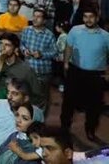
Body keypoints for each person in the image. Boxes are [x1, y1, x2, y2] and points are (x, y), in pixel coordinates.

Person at [60, 9, 109, 142]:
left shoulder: (106, 36)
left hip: (95, 75)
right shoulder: (75, 30)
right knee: (68, 102)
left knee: (94, 106)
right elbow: (68, 46)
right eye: (85, 17)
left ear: (97, 18)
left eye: (91, 17)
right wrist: (65, 63)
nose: (88, 20)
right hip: (75, 71)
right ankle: (64, 127)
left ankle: (90, 129)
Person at [0, 78, 44, 164]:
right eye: (8, 92)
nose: (9, 97)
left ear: (25, 98)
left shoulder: (35, 114)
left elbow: (40, 141)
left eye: (15, 94)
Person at [0, 33, 43, 107]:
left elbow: (37, 94)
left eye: (7, 45)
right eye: (1, 44)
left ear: (15, 49)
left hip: (17, 109)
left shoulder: (26, 69)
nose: (2, 48)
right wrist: (0, 61)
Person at [19, 8, 56, 111]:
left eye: (38, 17)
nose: (35, 19)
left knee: (41, 99)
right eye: (34, 16)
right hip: (28, 71)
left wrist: (41, 54)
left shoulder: (49, 35)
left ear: (44, 21)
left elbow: (54, 53)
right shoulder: (26, 30)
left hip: (42, 73)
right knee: (26, 97)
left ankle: (39, 123)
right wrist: (24, 50)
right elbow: (21, 44)